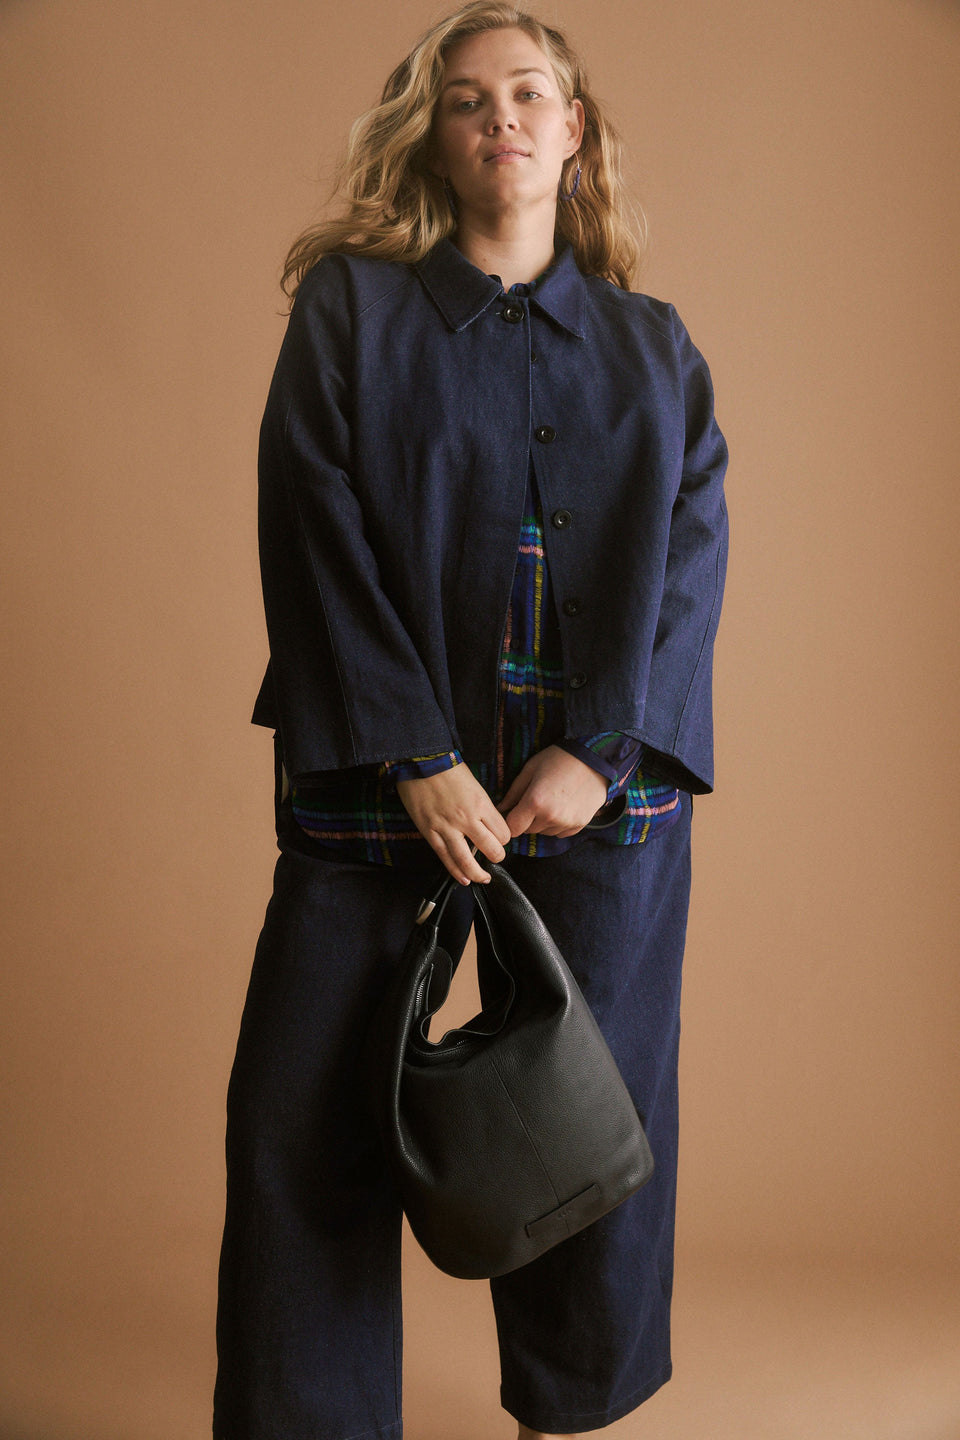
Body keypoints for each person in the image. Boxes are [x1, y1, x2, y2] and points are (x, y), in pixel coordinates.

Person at [213, 3, 729, 1438]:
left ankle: (567, 1414)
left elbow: (693, 565)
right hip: (381, 796)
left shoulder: (655, 348)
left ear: (574, 133)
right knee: (306, 1128)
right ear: (434, 139)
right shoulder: (350, 313)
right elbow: (309, 528)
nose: (500, 113)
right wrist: (416, 750)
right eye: (465, 98)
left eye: (529, 91)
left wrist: (601, 752)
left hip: (597, 805)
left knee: (594, 1133)